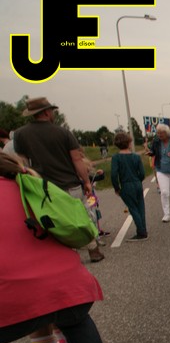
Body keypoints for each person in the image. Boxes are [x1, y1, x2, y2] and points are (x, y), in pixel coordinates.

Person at [0, 153, 132, 343]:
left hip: (8, 298)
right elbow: (74, 223)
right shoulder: (30, 184)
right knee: (73, 318)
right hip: (64, 286)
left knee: (44, 308)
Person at [11, 97, 105, 262]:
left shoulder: (20, 134)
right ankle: (93, 250)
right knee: (80, 218)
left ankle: (68, 257)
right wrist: (86, 182)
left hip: (44, 188)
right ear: (47, 112)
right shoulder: (63, 132)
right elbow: (77, 160)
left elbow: (23, 162)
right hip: (69, 184)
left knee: (56, 223)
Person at [110, 131, 148, 241]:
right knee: (140, 207)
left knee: (133, 208)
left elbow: (114, 174)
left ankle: (141, 232)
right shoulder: (136, 157)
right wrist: (138, 180)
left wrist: (116, 187)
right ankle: (143, 229)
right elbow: (142, 173)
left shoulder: (116, 158)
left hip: (126, 184)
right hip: (137, 183)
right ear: (129, 142)